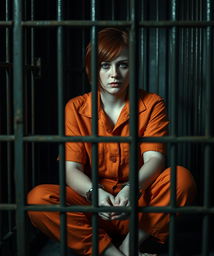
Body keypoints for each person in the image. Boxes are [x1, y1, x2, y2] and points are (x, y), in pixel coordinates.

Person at [27, 28, 197, 256]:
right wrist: (94, 193)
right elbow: (70, 169)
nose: (114, 74)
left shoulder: (153, 103)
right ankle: (109, 252)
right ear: (92, 69)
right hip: (92, 210)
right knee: (38, 199)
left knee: (182, 179)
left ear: (132, 67)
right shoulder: (75, 108)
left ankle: (129, 245)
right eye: (105, 65)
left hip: (138, 208)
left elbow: (155, 159)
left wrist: (131, 189)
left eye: (123, 64)